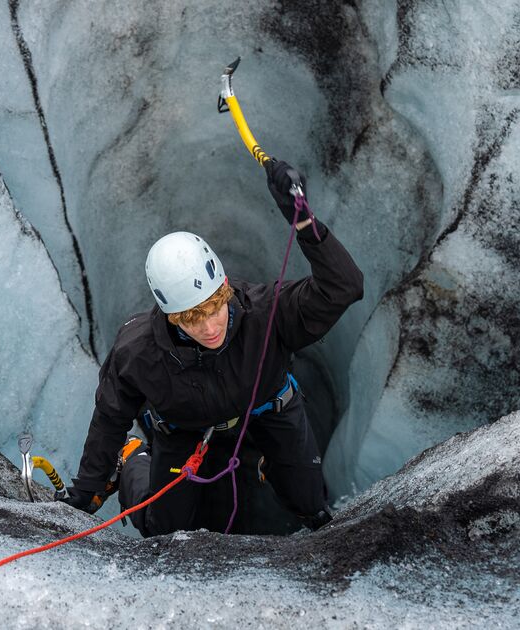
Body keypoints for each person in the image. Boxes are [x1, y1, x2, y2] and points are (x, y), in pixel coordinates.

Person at [60, 160, 363, 536]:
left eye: (214, 307)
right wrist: (87, 489)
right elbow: (110, 419)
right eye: (192, 318)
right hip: (184, 428)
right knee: (162, 530)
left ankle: (276, 465)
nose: (209, 327)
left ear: (225, 289)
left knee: (312, 506)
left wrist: (304, 222)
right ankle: (133, 459)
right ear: (171, 316)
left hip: (268, 408)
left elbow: (344, 286)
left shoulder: (266, 313)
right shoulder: (137, 353)